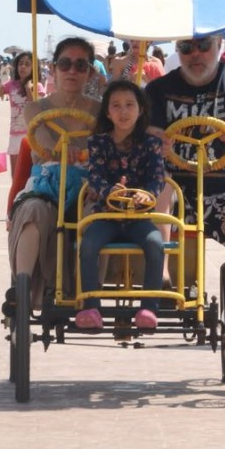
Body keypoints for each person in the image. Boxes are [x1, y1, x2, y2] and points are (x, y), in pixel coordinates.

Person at [146, 33, 225, 311]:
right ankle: (161, 276)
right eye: (186, 47)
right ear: (177, 50)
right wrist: (157, 138)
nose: (196, 53)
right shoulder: (158, 89)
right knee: (160, 182)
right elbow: (149, 128)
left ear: (219, 46)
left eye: (204, 45)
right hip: (174, 194)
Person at [7, 38, 100, 306]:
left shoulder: (101, 111)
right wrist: (68, 152)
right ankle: (22, 287)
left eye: (80, 65)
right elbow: (48, 148)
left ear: (89, 72)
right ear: (54, 68)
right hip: (47, 185)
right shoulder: (36, 109)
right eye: (65, 64)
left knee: (97, 214)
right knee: (33, 210)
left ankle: (88, 294)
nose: (72, 70)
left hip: (86, 187)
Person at [74, 81, 166, 331]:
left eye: (129, 105)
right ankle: (91, 306)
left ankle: (149, 307)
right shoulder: (98, 143)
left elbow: (157, 178)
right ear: (107, 112)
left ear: (140, 110)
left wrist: (146, 196)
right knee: (89, 243)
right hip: (106, 215)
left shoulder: (151, 144)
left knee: (156, 244)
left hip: (138, 218)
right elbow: (94, 176)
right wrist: (108, 190)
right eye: (116, 106)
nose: (123, 112)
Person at [0, 51, 44, 178]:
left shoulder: (37, 86)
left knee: (32, 176)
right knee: (16, 177)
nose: (23, 67)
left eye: (27, 64)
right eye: (21, 64)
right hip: (15, 135)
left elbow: (37, 107)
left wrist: (28, 89)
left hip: (33, 136)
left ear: (34, 67)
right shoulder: (11, 85)